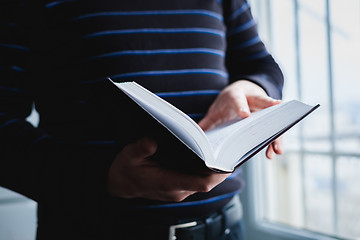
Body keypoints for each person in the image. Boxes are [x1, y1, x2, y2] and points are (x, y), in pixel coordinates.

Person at [0, 0, 283, 239]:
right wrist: (104, 176)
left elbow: (258, 63)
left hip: (224, 229)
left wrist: (250, 87)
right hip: (90, 229)